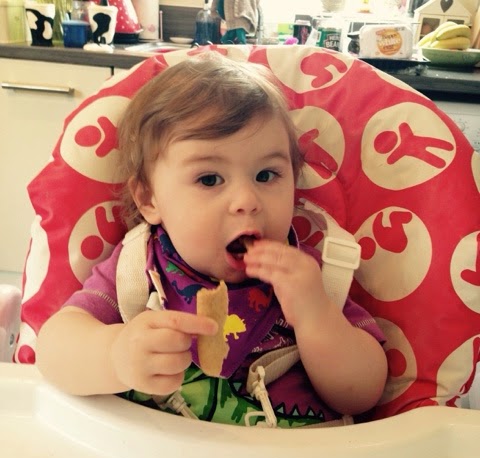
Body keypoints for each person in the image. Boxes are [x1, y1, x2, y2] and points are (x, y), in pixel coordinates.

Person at [36, 52, 387, 428]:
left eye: (266, 175)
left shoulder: (309, 277)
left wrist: (316, 316)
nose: (247, 201)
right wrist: (114, 357)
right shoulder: (138, 268)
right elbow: (54, 349)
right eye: (209, 179)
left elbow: (363, 395)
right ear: (149, 199)